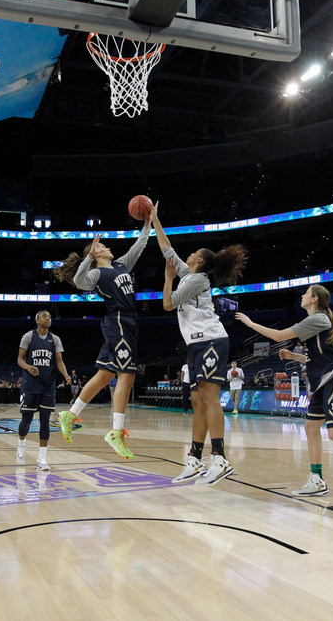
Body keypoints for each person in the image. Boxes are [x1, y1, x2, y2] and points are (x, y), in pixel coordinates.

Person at [236, 285, 333, 506]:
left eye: (306, 293)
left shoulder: (319, 319)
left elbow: (279, 335)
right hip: (323, 382)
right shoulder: (315, 322)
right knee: (311, 428)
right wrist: (294, 356)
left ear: (314, 299)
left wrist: (250, 323)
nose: (302, 296)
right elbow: (317, 359)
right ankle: (317, 480)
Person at [152, 204, 247, 485]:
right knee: (197, 401)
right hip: (196, 345)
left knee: (209, 398)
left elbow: (167, 304)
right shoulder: (188, 273)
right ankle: (194, 458)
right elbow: (167, 248)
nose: (188, 255)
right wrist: (155, 219)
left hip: (211, 340)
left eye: (193, 253)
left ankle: (219, 457)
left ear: (200, 261)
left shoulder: (197, 280)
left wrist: (167, 280)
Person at [53, 216, 152, 459]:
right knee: (127, 375)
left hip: (127, 323)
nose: (108, 247)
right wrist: (88, 257)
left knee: (105, 374)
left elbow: (139, 245)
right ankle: (116, 432)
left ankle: (70, 414)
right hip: (118, 321)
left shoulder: (121, 264)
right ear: (96, 253)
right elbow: (79, 281)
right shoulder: (96, 273)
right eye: (103, 246)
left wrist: (148, 224)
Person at [16, 310, 72, 471]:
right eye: (44, 316)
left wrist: (66, 374)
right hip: (30, 386)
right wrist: (29, 367)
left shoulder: (55, 339)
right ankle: (21, 445)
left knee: (45, 422)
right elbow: (19, 359)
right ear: (37, 320)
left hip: (48, 387)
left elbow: (59, 361)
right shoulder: (28, 336)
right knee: (26, 421)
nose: (48, 319)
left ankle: (42, 458)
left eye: (50, 317)